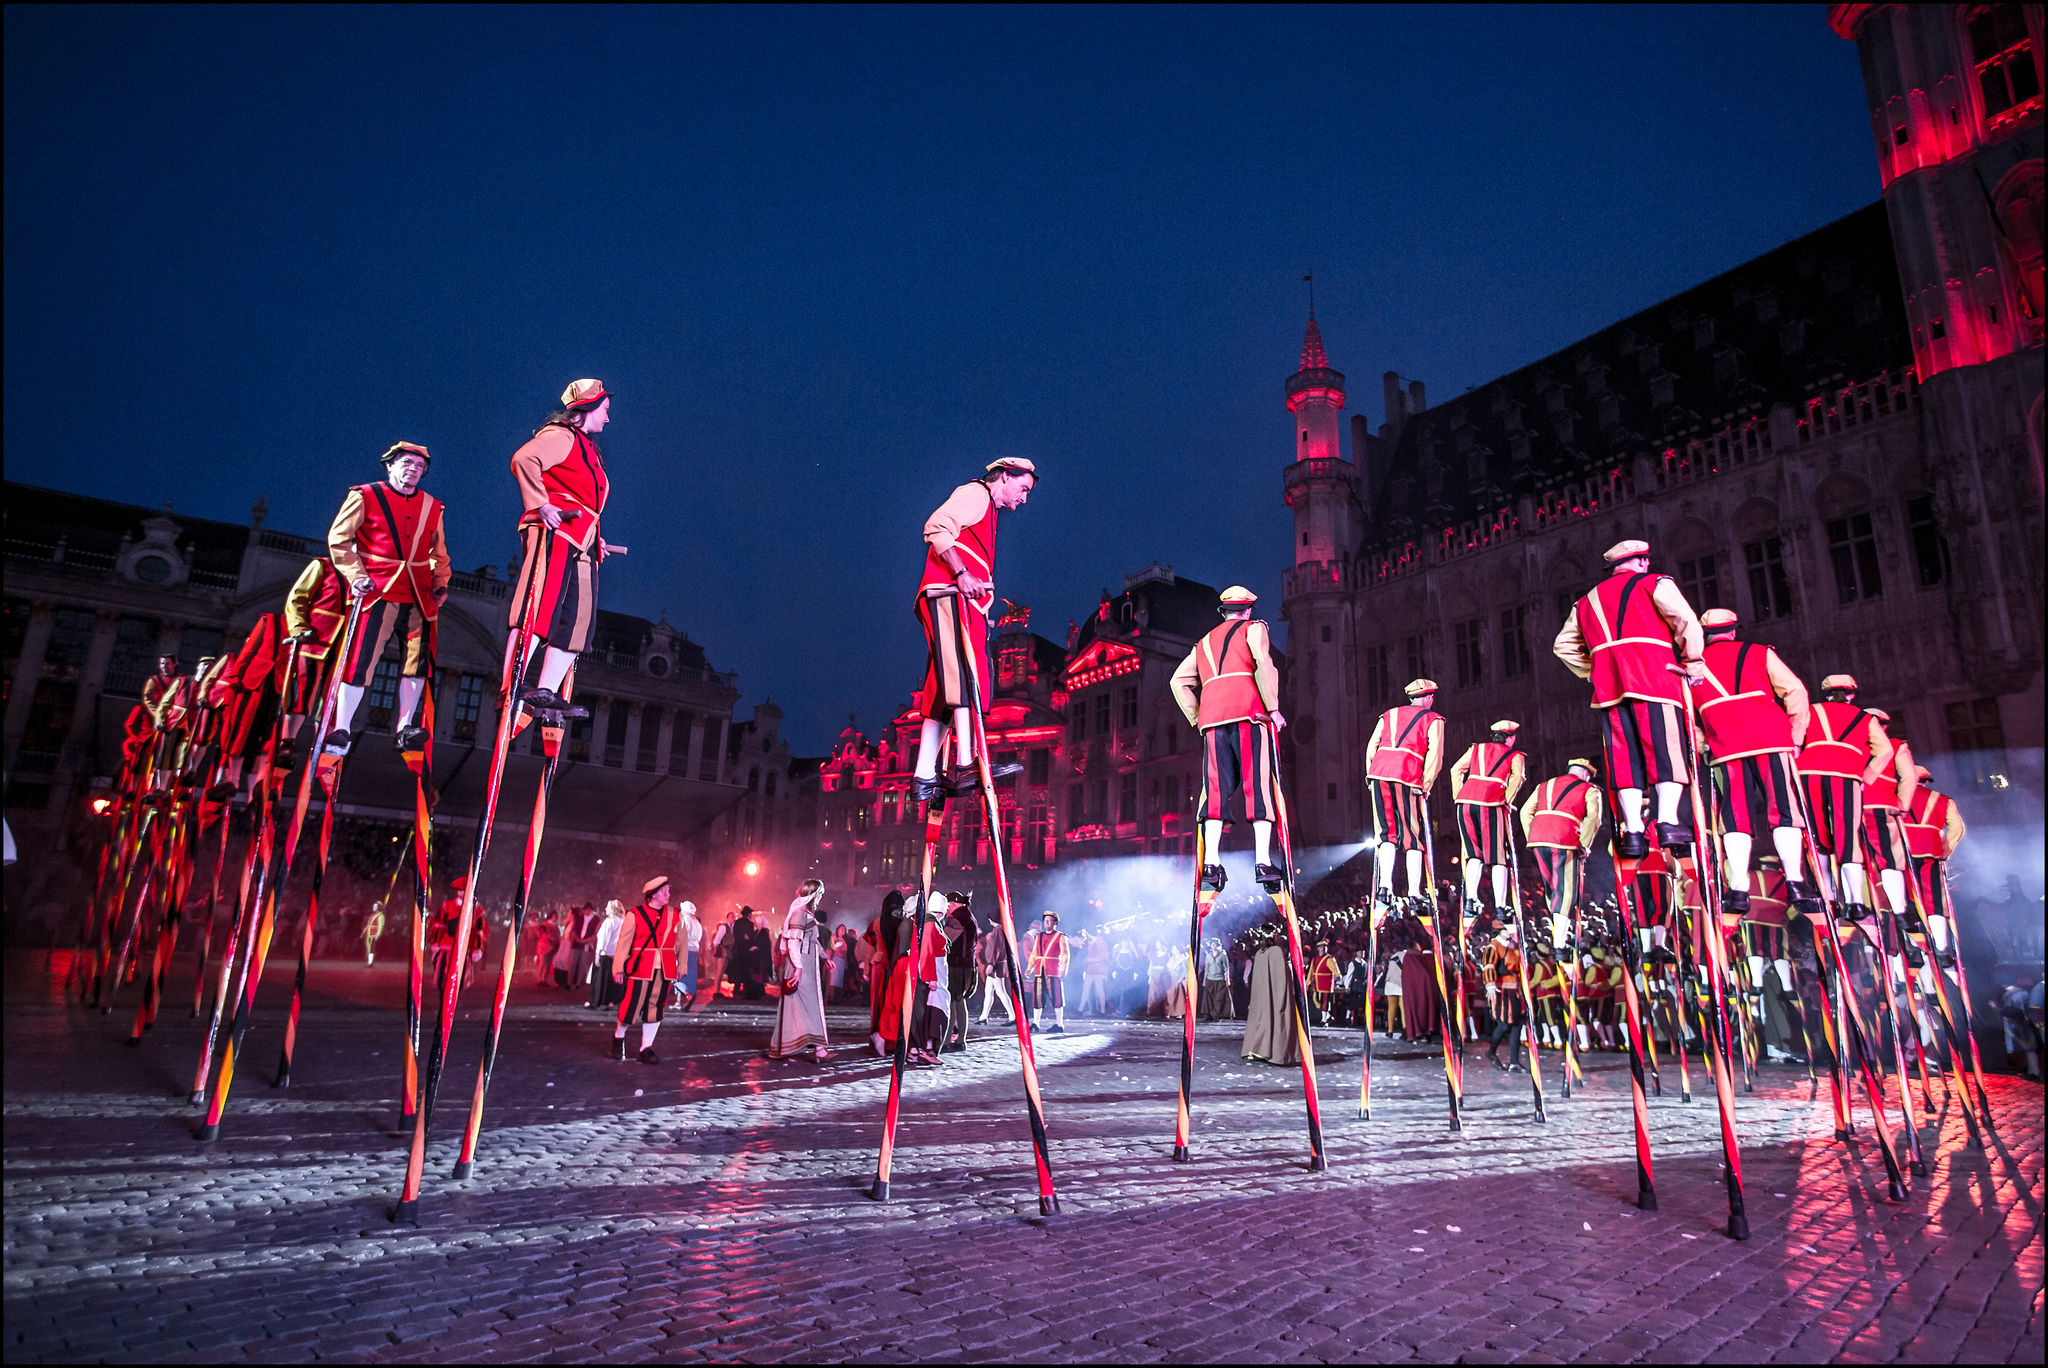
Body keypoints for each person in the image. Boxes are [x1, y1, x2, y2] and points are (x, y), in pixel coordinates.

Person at [1552, 538, 1706, 859]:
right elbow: (1686, 621)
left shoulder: (1586, 601)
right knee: (1665, 751)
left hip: (1610, 690)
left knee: (1626, 759)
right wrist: (1693, 663)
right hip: (1655, 678)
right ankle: (1667, 822)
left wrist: (1595, 669)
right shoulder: (1655, 583)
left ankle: (1633, 831)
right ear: (1641, 561)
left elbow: (1563, 646)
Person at [910, 459, 1038, 803]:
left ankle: (924, 775)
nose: (1024, 498)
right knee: (969, 674)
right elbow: (937, 526)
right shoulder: (977, 494)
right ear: (1006, 476)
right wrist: (962, 574)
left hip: (960, 600)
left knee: (943, 688)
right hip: (949, 594)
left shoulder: (988, 512)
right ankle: (966, 763)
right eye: (1023, 489)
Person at [321, 442, 450, 754]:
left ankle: (405, 727)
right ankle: (342, 727)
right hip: (377, 590)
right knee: (361, 658)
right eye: (407, 463)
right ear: (390, 465)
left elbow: (439, 552)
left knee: (417, 662)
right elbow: (340, 539)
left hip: (419, 593)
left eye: (420, 466)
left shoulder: (433, 506)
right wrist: (356, 575)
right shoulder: (364, 495)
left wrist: (440, 582)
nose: (413, 470)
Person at [1694, 607, 1821, 916]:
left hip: (1724, 744)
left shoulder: (1693, 665)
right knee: (1784, 809)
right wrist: (1796, 734)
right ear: (1733, 631)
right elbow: (1795, 690)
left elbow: (1685, 714)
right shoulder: (1759, 652)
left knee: (1735, 814)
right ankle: (1795, 881)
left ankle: (1738, 889)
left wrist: (1703, 743)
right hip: (1771, 738)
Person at [509, 380, 620, 717]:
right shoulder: (562, 436)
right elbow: (524, 459)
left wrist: (596, 537)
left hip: (582, 539)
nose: (608, 418)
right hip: (556, 532)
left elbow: (588, 501)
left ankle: (545, 690)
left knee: (578, 619)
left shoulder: (589, 448)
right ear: (587, 408)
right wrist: (541, 504)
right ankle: (512, 683)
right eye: (605, 410)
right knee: (540, 605)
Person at [1168, 585, 1287, 893]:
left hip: (1212, 721)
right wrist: (1273, 708)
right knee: (1257, 784)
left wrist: (1197, 717)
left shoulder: (1203, 643)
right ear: (1247, 610)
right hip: (1249, 713)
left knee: (1215, 790)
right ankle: (1263, 863)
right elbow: (1263, 664)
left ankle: (1211, 863)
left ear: (1223, 613)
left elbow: (1177, 682)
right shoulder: (1254, 628)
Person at [1796, 673, 1896, 915]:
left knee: (1816, 835)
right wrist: (1866, 777)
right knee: (1848, 836)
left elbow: (1795, 737)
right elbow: (1885, 751)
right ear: (1851, 694)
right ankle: (1855, 902)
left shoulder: (1811, 710)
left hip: (1809, 773)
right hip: (1846, 775)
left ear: (1826, 694)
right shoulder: (1864, 718)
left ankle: (1826, 897)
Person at [1363, 679, 1446, 905]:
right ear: (1428, 697)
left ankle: (1384, 888)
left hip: (1379, 774)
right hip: (1407, 775)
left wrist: (1371, 775)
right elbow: (1435, 756)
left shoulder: (1388, 714)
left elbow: (1372, 746)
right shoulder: (1433, 718)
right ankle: (1414, 892)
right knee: (1411, 836)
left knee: (1385, 834)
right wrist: (1425, 785)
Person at [1519, 758, 1604, 953]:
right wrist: (1584, 844)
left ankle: (1559, 932)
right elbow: (1593, 818)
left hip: (1538, 839)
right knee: (1566, 890)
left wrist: (1533, 836)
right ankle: (1559, 943)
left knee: (1552, 888)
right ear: (1585, 774)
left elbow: (1525, 812)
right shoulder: (1589, 789)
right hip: (1564, 838)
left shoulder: (1544, 785)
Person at [1449, 720, 1528, 918]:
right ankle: (1500, 906)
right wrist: (1506, 800)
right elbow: (1517, 778)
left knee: (1474, 854)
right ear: (1510, 738)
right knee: (1498, 857)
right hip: (1491, 803)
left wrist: (1459, 795)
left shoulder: (1476, 749)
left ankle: (1471, 899)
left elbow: (1455, 770)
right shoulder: (1515, 755)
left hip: (1465, 804)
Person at [611, 876, 678, 1063]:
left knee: (655, 1008)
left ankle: (646, 1047)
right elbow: (623, 944)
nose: (668, 895)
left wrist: (682, 966)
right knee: (631, 1006)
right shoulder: (634, 914)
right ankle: (618, 1037)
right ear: (654, 894)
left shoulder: (674, 914)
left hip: (664, 968)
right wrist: (618, 968)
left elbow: (681, 941)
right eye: (665, 892)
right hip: (640, 967)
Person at [767, 879, 831, 1062]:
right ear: (812, 894)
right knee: (804, 1005)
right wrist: (798, 968)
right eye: (819, 893)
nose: (820, 897)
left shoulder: (807, 914)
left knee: (806, 1005)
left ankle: (811, 1047)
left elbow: (813, 941)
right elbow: (793, 943)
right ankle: (817, 1048)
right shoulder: (799, 913)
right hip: (801, 965)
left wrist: (825, 957)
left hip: (807, 966)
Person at [1240, 927, 1300, 1066]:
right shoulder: (1275, 951)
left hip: (1261, 996)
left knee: (1262, 1019)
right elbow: (1281, 978)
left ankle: (1257, 1049)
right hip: (1272, 994)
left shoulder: (1259, 953)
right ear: (1273, 934)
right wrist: (1283, 997)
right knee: (1275, 1019)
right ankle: (1274, 1053)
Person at [1028, 911, 1071, 1033]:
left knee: (1057, 998)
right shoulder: (1039, 936)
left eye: (1049, 920)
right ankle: (1035, 1023)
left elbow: (1065, 954)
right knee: (1037, 998)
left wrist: (1063, 969)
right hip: (1039, 970)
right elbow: (1034, 953)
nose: (1046, 922)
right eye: (1045, 920)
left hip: (1053, 970)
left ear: (1055, 922)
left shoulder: (1061, 936)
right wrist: (1030, 968)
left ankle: (1059, 1024)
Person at [975, 918, 1018, 1025]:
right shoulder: (1001, 929)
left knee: (1000, 991)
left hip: (996, 966)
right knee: (989, 991)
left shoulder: (998, 929)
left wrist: (991, 964)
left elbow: (996, 948)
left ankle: (1012, 1016)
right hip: (996, 964)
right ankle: (983, 1017)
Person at [590, 900, 626, 1010]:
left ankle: (599, 1001)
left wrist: (598, 954)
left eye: (607, 907)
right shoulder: (623, 921)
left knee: (601, 980)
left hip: (606, 955)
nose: (605, 909)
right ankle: (611, 1001)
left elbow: (603, 939)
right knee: (612, 980)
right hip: (617, 955)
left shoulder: (609, 922)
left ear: (613, 909)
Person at [673, 898, 703, 1010]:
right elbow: (699, 937)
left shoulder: (684, 919)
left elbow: (679, 933)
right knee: (690, 975)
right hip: (694, 950)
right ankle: (679, 1001)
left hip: (684, 949)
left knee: (676, 974)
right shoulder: (696, 922)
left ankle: (687, 994)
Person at [1078, 929, 1112, 1016]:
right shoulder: (1093, 943)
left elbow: (1104, 957)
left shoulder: (1101, 943)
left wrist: (1090, 960)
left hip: (1098, 970)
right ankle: (1080, 1009)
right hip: (1090, 970)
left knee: (1099, 991)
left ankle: (1102, 1010)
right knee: (1086, 990)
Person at [1199, 935, 1232, 1021]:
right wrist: (1204, 980)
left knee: (1218, 999)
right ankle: (1208, 1015)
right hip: (1210, 979)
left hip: (1220, 979)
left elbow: (1226, 968)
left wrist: (1227, 980)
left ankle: (1216, 1015)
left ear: (1217, 945)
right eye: (1212, 944)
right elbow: (1206, 968)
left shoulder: (1223, 956)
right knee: (1209, 998)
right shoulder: (1208, 956)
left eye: (1215, 944)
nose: (1213, 946)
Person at [361, 902, 386, 967]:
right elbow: (368, 924)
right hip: (369, 933)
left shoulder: (381, 916)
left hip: (374, 933)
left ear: (378, 907)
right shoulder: (372, 915)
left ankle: (370, 963)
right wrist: (364, 932)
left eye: (375, 906)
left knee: (371, 948)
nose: (373, 907)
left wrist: (378, 934)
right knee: (368, 947)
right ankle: (369, 962)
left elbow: (381, 926)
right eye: (374, 906)